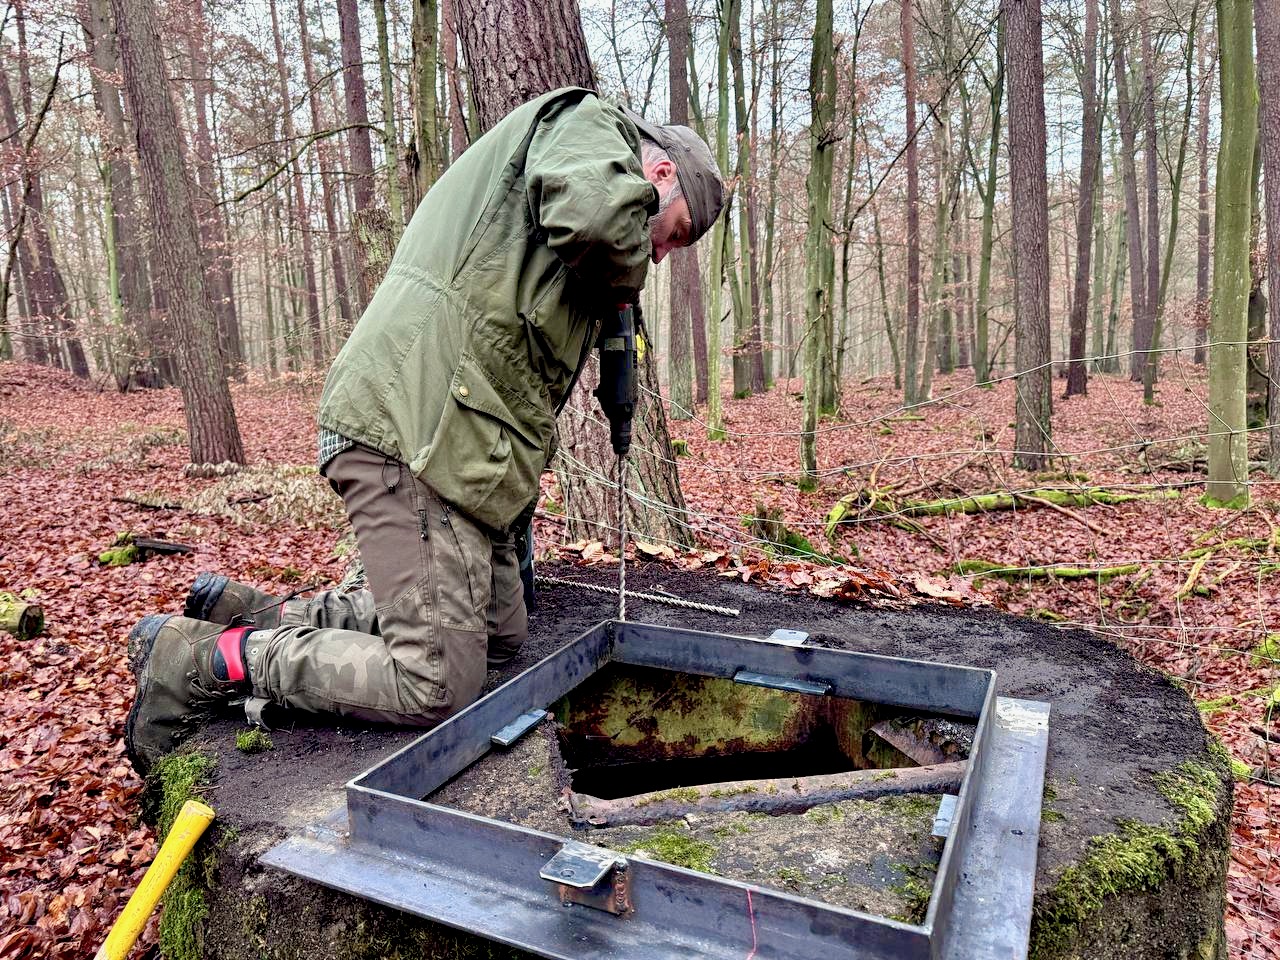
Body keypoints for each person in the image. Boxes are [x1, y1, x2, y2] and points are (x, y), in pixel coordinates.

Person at [123, 87, 725, 774]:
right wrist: (626, 283)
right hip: (412, 430)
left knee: (500, 637)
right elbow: (592, 222)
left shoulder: (586, 166)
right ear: (659, 175)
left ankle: (257, 614)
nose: (659, 257)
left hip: (458, 443)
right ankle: (207, 659)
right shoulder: (588, 124)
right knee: (436, 681)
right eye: (673, 234)